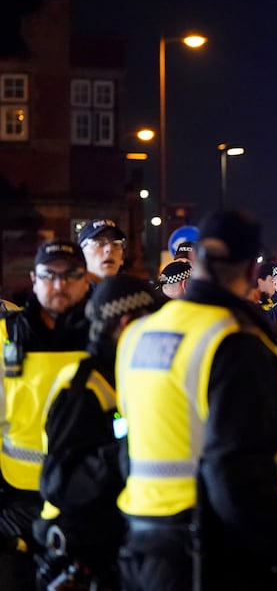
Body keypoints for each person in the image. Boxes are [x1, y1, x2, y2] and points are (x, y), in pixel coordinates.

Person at [116, 209, 277, 590]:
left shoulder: (140, 333)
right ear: (249, 268)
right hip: (213, 549)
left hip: (144, 540)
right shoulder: (234, 342)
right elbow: (236, 467)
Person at [34, 275, 159, 590]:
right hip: (80, 549)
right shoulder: (83, 387)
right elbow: (60, 483)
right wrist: (136, 446)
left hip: (116, 545)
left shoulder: (124, 374)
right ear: (126, 324)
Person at [0, 240, 91, 590]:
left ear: (86, 281)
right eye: (49, 275)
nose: (59, 285)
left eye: (70, 275)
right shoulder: (7, 337)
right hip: (19, 501)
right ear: (33, 280)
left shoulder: (103, 336)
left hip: (84, 498)